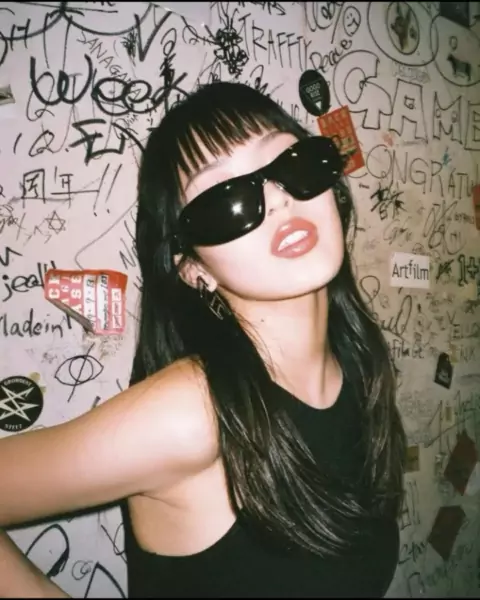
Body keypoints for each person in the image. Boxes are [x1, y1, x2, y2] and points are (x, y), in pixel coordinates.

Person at [0, 81, 406, 598]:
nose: (279, 199)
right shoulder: (191, 413)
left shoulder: (357, 365)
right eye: (224, 199)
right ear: (194, 269)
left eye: (292, 164)